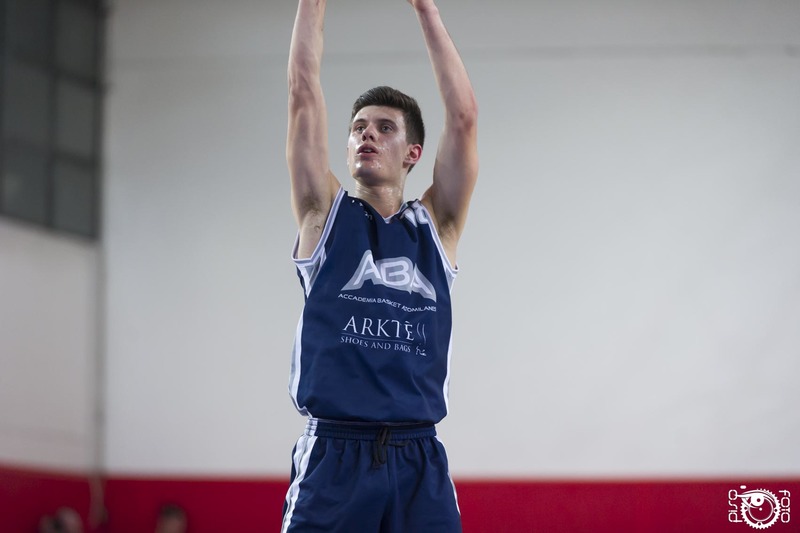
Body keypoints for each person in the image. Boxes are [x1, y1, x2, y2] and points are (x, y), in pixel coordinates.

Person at [281, 0, 478, 531]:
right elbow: (302, 91)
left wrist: (425, 9)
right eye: (358, 128)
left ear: (413, 152)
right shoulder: (323, 215)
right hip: (335, 456)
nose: (366, 134)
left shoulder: (436, 227)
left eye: (384, 127)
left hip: (419, 459)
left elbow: (463, 119)